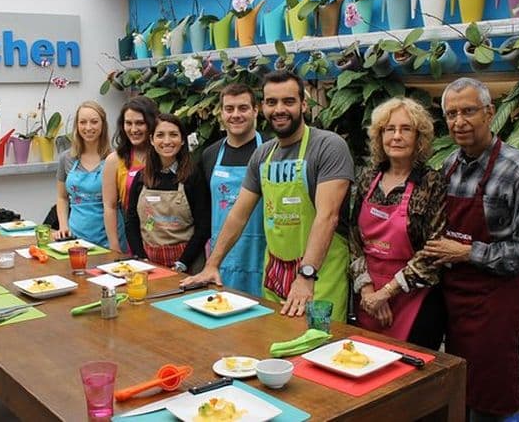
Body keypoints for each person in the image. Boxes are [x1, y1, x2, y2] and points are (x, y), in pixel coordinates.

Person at [424, 78, 519, 421]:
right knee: (457, 391)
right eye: (451, 113)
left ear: (490, 113)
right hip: (454, 299)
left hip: (495, 302)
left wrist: (469, 253)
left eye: (469, 111)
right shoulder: (448, 166)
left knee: (489, 400)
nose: (459, 121)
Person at [182, 71, 353, 321]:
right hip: (275, 275)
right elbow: (238, 215)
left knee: (317, 348)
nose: (279, 109)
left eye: (289, 101)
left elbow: (327, 218)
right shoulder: (263, 155)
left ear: (304, 104)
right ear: (262, 107)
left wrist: (306, 276)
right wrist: (212, 265)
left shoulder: (328, 146)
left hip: (319, 276)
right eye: (272, 102)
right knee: (273, 348)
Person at [349, 97, 447, 350]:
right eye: (389, 129)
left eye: (406, 129)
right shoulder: (368, 178)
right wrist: (368, 291)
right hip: (368, 296)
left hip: (414, 298)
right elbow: (354, 240)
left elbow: (434, 251)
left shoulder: (431, 182)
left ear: (419, 137)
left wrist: (387, 293)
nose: (396, 136)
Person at [200, 84, 265, 296]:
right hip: (221, 263)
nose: (235, 115)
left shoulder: (271, 151)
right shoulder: (209, 155)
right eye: (229, 109)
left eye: (243, 108)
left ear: (256, 111)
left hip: (263, 259)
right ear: (221, 113)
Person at [125, 114, 210, 272]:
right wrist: (142, 259)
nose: (167, 141)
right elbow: (131, 221)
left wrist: (182, 263)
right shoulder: (141, 177)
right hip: (149, 262)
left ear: (183, 140)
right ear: (151, 140)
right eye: (160, 135)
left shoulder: (193, 176)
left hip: (188, 264)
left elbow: (203, 226)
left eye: (173, 134)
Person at [102, 96, 158, 253]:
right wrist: (114, 247)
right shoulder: (114, 160)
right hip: (130, 238)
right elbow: (110, 206)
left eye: (140, 123)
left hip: (164, 238)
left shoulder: (164, 157)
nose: (134, 129)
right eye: (129, 123)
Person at [53, 101, 111, 246]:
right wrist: (63, 226)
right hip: (75, 238)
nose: (88, 127)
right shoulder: (66, 158)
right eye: (83, 122)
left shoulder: (114, 158)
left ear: (103, 125)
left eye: (94, 122)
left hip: (108, 238)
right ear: (77, 126)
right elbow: (62, 197)